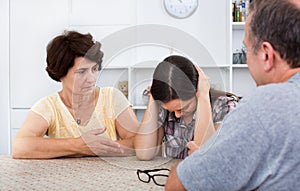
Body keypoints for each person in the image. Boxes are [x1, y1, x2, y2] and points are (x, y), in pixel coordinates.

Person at [165, 0, 300, 190]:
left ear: (266, 55)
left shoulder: (263, 106)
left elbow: (178, 186)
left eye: (246, 49)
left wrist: (200, 159)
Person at [12, 31, 139, 159]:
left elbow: (140, 142)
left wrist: (98, 149)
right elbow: (20, 147)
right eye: (81, 72)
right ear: (60, 74)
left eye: (94, 69)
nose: (91, 79)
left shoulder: (112, 98)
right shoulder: (49, 106)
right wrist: (80, 145)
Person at [134, 55, 239, 160]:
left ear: (197, 88)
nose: (177, 115)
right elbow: (144, 154)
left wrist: (203, 97)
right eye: (171, 110)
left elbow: (205, 159)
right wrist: (154, 95)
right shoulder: (166, 108)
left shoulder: (224, 107)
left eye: (183, 108)